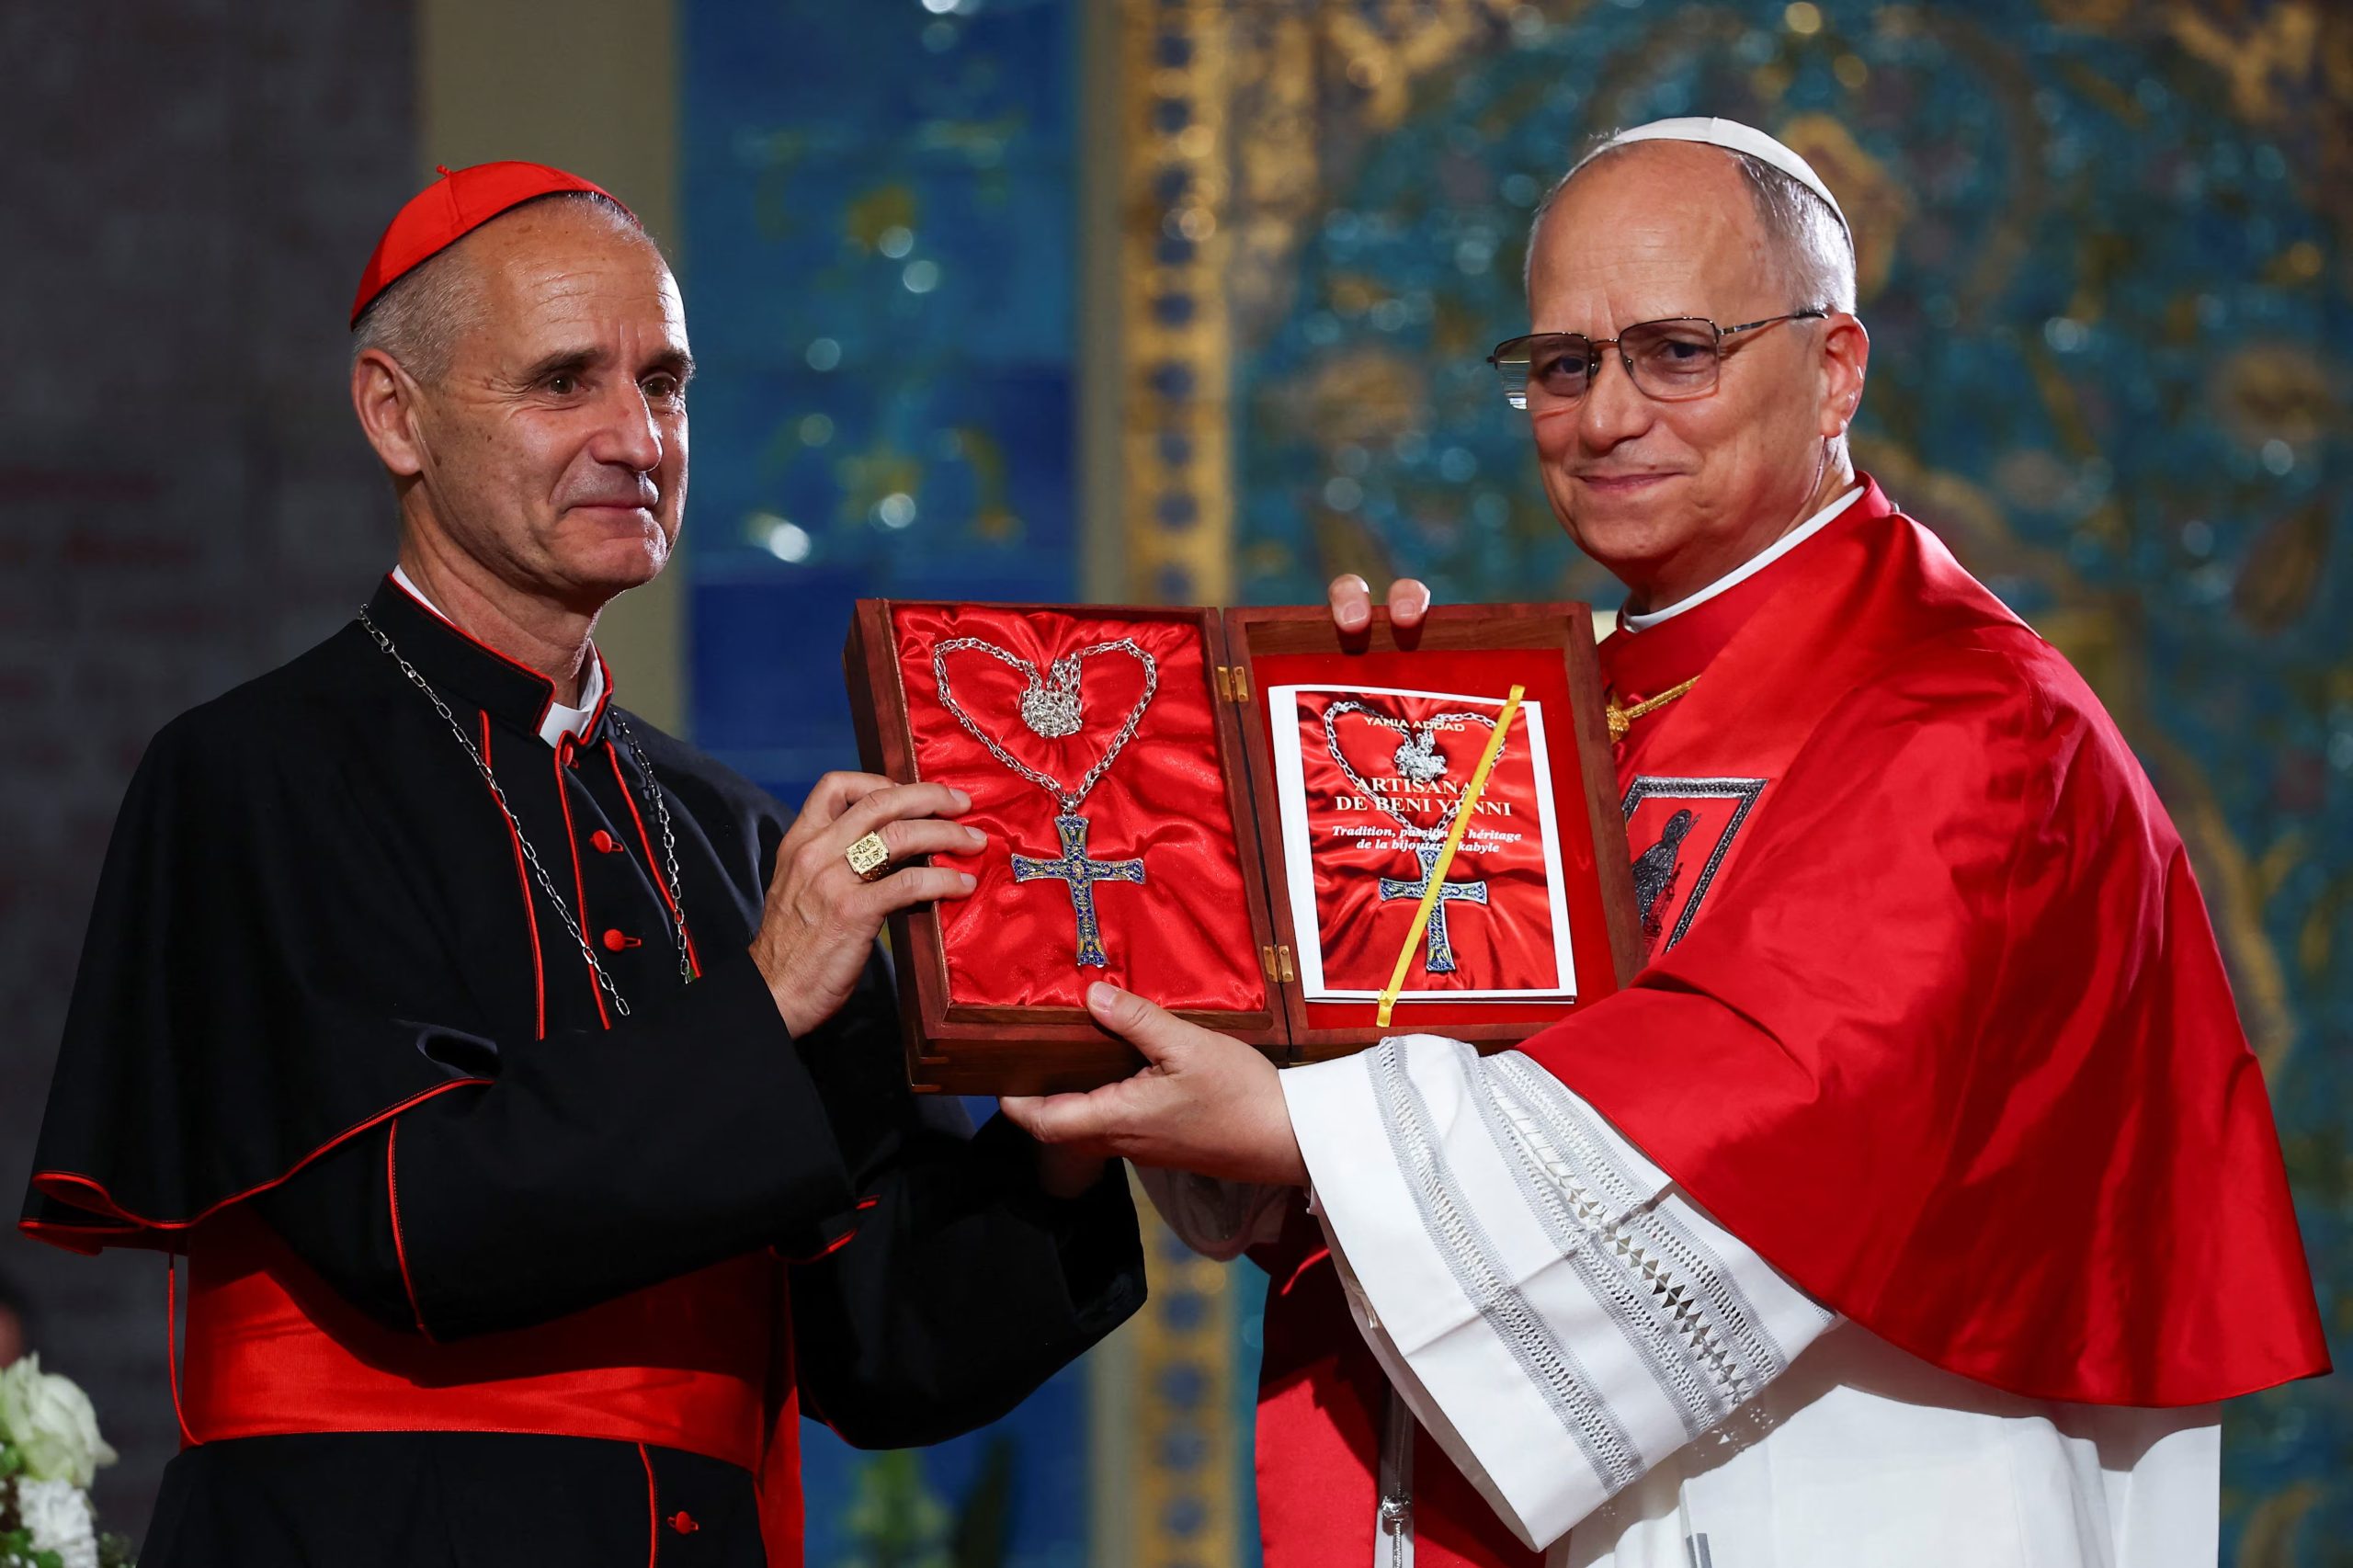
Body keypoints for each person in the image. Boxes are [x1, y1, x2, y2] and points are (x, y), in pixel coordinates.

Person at [1000, 119, 2329, 1567]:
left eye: (1677, 351)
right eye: (1564, 365)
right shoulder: (1551, 703)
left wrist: (1294, 1126)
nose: (1606, 417)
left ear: (1836, 369)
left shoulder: (1973, 718)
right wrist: (1334, 818)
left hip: (1868, 1494)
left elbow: (1769, 1109)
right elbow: (1448, 1066)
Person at [18, 163, 1144, 1568]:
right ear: (396, 414)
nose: (637, 436)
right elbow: (413, 1224)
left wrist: (1064, 1138)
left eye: (664, 382)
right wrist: (765, 997)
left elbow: (882, 1349)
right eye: (565, 383)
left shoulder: (731, 830)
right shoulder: (255, 775)